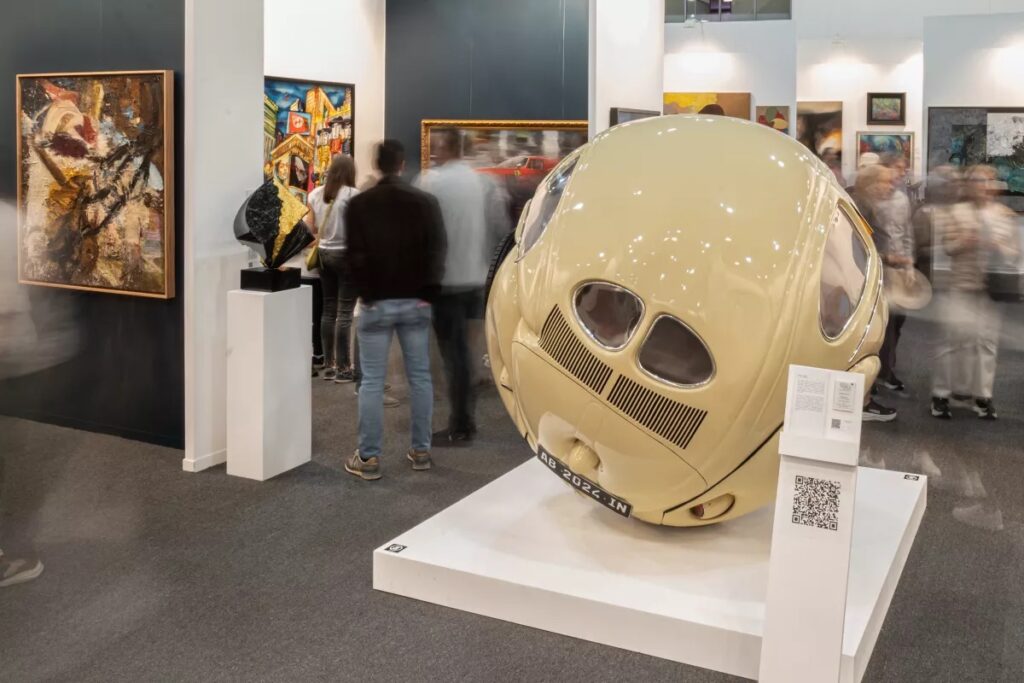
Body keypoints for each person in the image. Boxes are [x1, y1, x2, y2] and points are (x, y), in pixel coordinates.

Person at [342, 140, 447, 480]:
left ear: (377, 165)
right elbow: (437, 250)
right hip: (416, 302)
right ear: (402, 165)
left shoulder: (359, 204)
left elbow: (354, 255)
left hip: (376, 303)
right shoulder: (425, 203)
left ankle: (369, 458)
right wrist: (428, 292)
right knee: (420, 378)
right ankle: (421, 450)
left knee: (372, 382)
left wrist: (367, 294)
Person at [416, 129, 491, 443]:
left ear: (447, 147)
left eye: (437, 146)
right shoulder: (479, 181)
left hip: (447, 280)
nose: (434, 151)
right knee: (465, 352)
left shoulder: (432, 182)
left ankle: (461, 424)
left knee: (454, 354)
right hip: (475, 277)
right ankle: (464, 418)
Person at [930, 165, 1020, 420]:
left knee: (987, 343)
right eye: (978, 181)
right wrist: (965, 242)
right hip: (961, 285)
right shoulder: (956, 212)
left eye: (987, 181)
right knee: (952, 341)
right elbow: (948, 247)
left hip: (991, 289)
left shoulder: (1004, 214)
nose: (983, 186)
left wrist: (1000, 247)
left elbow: (1014, 252)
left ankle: (982, 396)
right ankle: (940, 395)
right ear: (970, 185)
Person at [851, 164, 899, 422]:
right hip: (858, 284)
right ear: (870, 184)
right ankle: (862, 402)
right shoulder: (862, 206)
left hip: (861, 281)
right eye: (885, 182)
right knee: (865, 342)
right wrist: (888, 257)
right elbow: (859, 246)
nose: (890, 187)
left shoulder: (862, 203)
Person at [307, 154, 360, 383]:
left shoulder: (315, 194)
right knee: (345, 313)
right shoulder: (353, 195)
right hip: (346, 256)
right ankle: (344, 368)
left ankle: (329, 366)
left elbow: (309, 228)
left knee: (328, 310)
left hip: (323, 255)